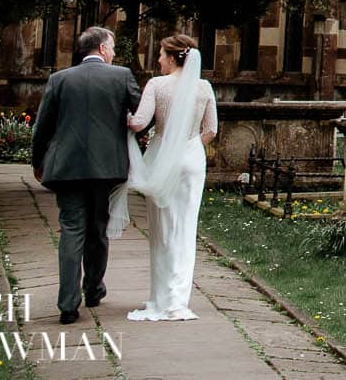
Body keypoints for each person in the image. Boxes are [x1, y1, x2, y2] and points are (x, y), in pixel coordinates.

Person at [30, 25, 142, 325]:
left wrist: (37, 161)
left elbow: (43, 126)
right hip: (107, 168)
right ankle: (93, 289)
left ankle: (68, 304)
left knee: (71, 230)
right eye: (114, 47)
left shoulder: (59, 79)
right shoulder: (122, 76)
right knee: (98, 228)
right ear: (103, 49)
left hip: (66, 168)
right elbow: (142, 115)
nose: (115, 52)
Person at [117, 33, 217, 322]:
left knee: (161, 230)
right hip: (192, 159)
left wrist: (124, 117)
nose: (158, 59)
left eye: (160, 54)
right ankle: (178, 302)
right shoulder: (204, 88)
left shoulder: (157, 85)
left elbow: (138, 123)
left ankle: (161, 298)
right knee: (186, 229)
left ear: (172, 57)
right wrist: (189, 146)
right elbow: (211, 130)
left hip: (162, 160)